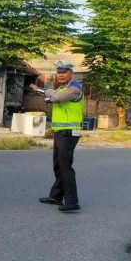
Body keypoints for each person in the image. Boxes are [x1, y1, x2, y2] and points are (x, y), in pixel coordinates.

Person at [29, 60, 84, 213]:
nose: (60, 75)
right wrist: (42, 91)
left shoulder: (74, 89)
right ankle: (56, 196)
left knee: (65, 167)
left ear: (71, 73)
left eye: (64, 72)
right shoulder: (62, 88)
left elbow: (58, 98)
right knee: (58, 165)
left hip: (70, 132)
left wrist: (49, 95)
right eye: (58, 73)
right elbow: (52, 95)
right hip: (60, 131)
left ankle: (72, 202)